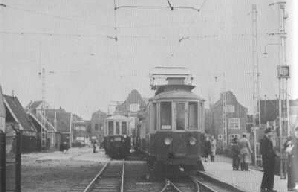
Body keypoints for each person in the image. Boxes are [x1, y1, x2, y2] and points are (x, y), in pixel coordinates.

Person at [260, 127, 277, 192]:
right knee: (267, 174)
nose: (271, 133)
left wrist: (275, 154)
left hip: (270, 160)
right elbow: (264, 151)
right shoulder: (265, 140)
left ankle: (269, 188)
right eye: (270, 132)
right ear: (267, 133)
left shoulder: (269, 140)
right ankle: (263, 188)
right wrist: (271, 155)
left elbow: (271, 150)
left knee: (270, 174)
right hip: (267, 160)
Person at [285, 127, 298, 191]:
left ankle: (292, 186)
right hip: (291, 159)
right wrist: (291, 148)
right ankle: (290, 187)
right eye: (297, 132)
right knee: (291, 173)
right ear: (295, 131)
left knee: (294, 173)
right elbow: (286, 148)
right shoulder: (290, 138)